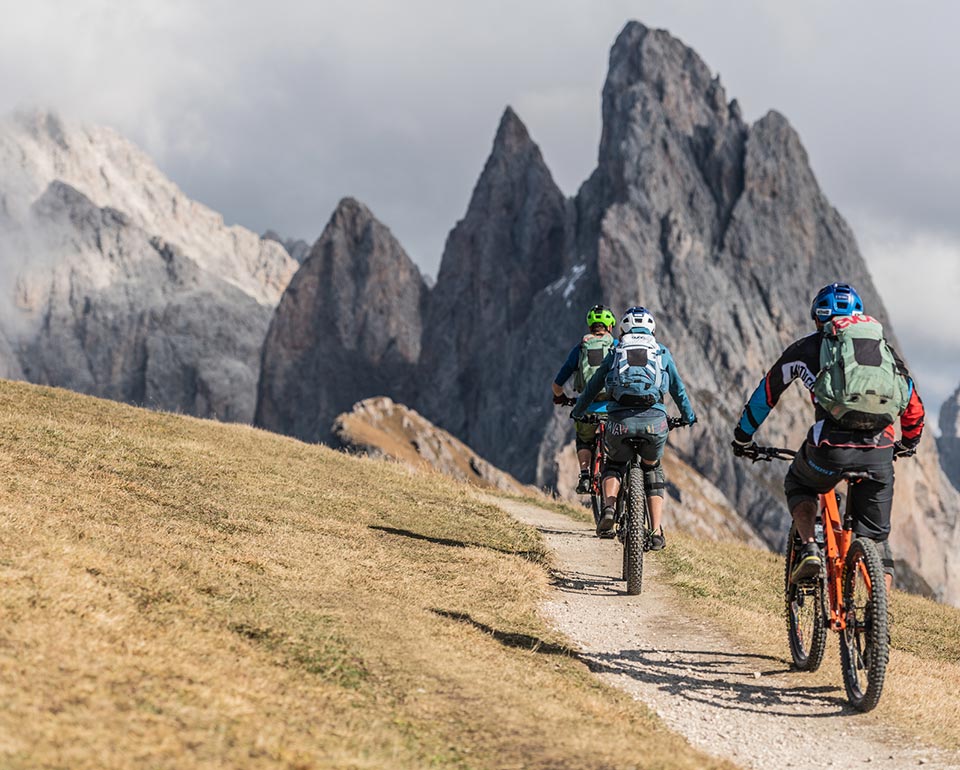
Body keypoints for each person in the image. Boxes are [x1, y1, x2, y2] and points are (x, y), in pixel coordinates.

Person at [732, 283, 924, 590]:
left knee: (799, 483)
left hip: (829, 451)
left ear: (819, 317)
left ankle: (809, 547)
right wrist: (908, 442)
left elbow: (767, 393)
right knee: (876, 539)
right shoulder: (883, 352)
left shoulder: (806, 349)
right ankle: (880, 621)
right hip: (880, 453)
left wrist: (743, 436)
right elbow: (912, 405)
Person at [571, 306, 696, 545]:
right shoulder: (661, 351)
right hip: (654, 422)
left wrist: (578, 411)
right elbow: (678, 389)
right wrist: (688, 416)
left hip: (620, 422)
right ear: (652, 329)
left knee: (615, 464)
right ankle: (657, 531)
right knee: (652, 469)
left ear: (623, 329)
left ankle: (608, 507)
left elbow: (594, 385)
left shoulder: (617, 349)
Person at [552, 304, 618, 493]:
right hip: (614, 408)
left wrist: (561, 397)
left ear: (590, 326)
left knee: (584, 438)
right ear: (610, 326)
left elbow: (557, 385)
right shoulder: (617, 347)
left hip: (589, 407)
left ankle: (585, 476)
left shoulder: (580, 349)